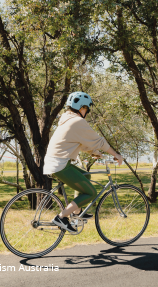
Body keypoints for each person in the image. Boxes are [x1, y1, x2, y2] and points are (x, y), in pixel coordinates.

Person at [43, 91, 123, 232]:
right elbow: (99, 141)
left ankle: (77, 213)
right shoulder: (77, 121)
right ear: (82, 108)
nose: (87, 112)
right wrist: (116, 154)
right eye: (88, 109)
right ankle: (61, 218)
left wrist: (94, 152)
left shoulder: (67, 119)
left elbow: (81, 142)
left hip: (56, 162)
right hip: (60, 165)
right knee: (91, 193)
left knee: (86, 176)